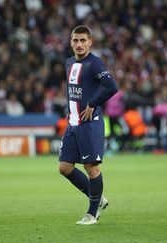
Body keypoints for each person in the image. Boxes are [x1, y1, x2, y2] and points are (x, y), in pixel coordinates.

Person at [58, 25, 118, 225]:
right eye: (75, 40)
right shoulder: (68, 63)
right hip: (72, 123)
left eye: (83, 40)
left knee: (91, 168)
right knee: (64, 167)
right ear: (71, 42)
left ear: (90, 42)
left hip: (89, 124)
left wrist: (92, 103)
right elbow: (74, 91)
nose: (79, 44)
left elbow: (112, 87)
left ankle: (92, 214)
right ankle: (98, 198)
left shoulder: (95, 64)